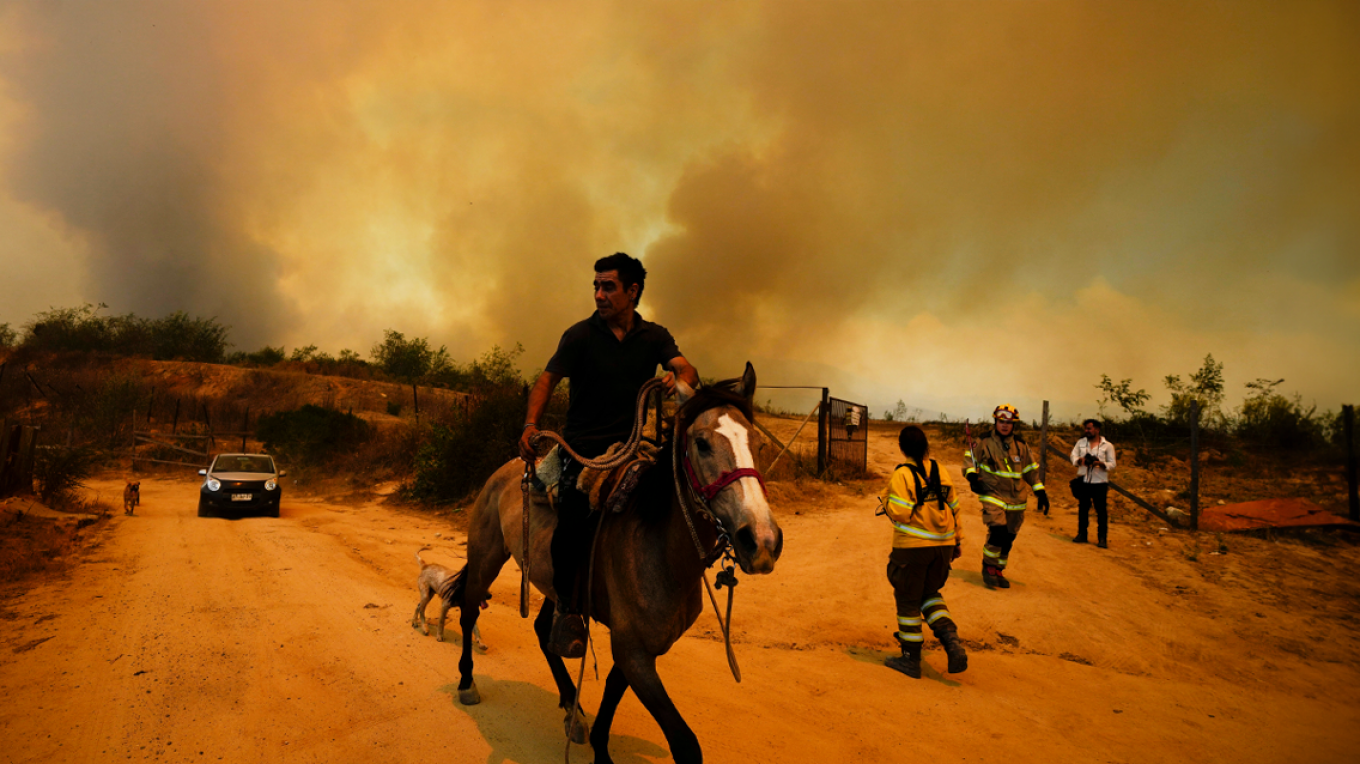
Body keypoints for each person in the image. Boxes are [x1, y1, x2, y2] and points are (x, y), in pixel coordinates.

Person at [518, 252, 699, 658]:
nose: (599, 294)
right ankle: (567, 607)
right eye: (596, 286)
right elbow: (547, 381)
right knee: (571, 517)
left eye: (608, 286)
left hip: (633, 447)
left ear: (632, 291)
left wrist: (676, 376)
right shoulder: (579, 336)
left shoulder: (654, 336)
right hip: (581, 451)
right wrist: (531, 424)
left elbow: (688, 370)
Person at [880, 426, 969, 679]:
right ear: (926, 445)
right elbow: (954, 507)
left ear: (902, 447)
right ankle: (951, 641)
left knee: (908, 599)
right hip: (943, 546)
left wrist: (885, 500)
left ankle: (910, 659)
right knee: (929, 594)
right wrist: (957, 540)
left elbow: (899, 513)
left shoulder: (903, 474)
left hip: (913, 548)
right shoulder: (941, 471)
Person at [963, 404, 1049, 589]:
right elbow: (969, 460)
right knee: (998, 532)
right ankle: (988, 567)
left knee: (1008, 538)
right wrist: (971, 475)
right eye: (1001, 421)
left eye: (1009, 422)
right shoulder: (983, 441)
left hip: (1017, 499)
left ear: (1014, 425)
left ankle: (999, 569)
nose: (1005, 425)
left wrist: (1039, 490)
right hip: (992, 494)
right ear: (995, 421)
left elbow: (1030, 470)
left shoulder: (1021, 445)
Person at [1070, 418, 1116, 548]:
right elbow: (1072, 456)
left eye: (1089, 428)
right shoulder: (1081, 442)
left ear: (1097, 429)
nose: (1087, 431)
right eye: (1086, 428)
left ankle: (1102, 538)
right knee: (1083, 508)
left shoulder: (1108, 446)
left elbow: (1113, 464)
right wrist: (1079, 461)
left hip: (1100, 481)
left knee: (1101, 511)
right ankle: (1082, 534)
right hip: (1084, 480)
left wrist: (1100, 464)